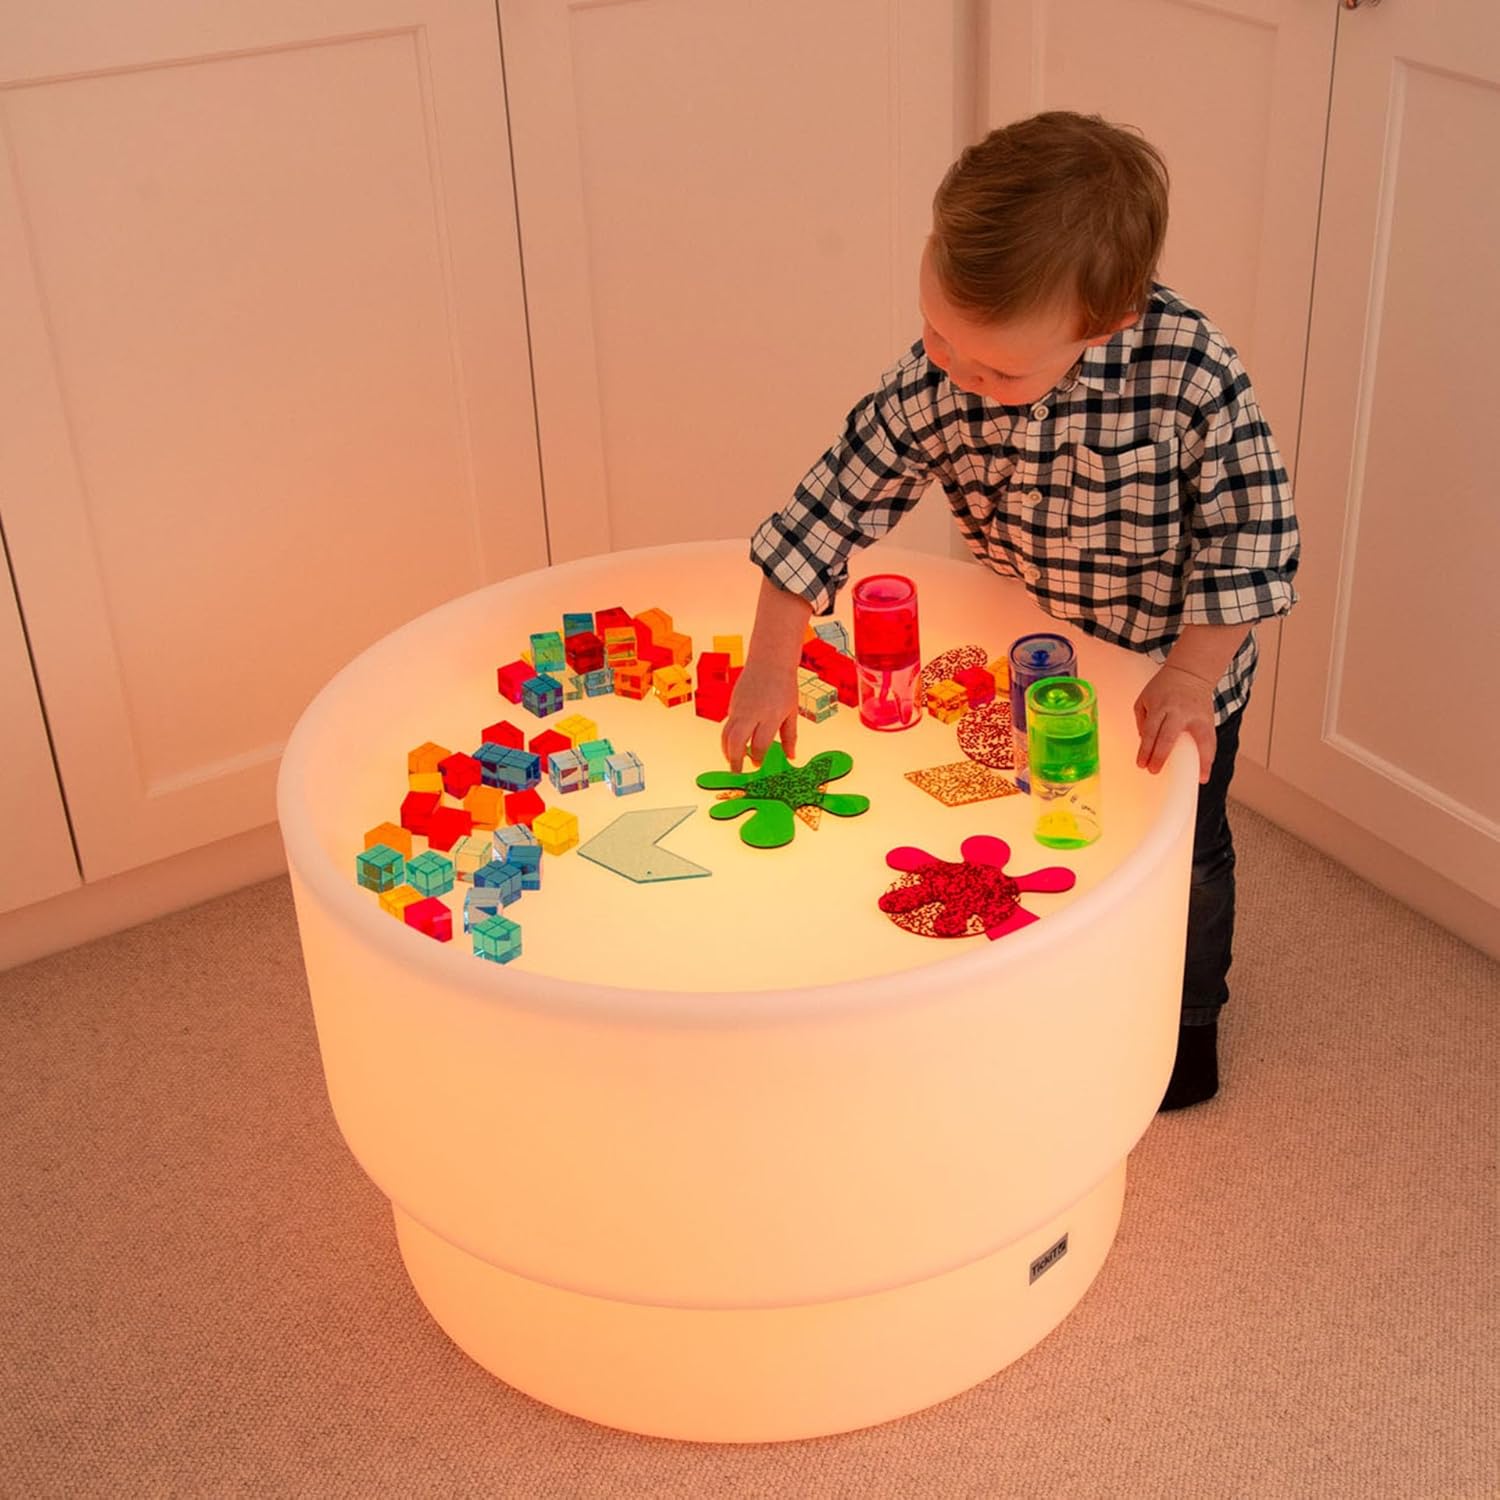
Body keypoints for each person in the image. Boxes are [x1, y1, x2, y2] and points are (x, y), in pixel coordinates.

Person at [722, 111, 1301, 1112]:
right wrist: (771, 663)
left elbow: (1249, 539)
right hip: (1042, 659)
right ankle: (1054, 981)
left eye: (996, 369)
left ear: (1103, 327)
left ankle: (1187, 1015)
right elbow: (825, 511)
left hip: (1175, 673)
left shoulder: (1193, 375)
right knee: (1042, 821)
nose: (958, 372)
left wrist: (1193, 677)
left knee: (1185, 851)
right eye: (938, 332)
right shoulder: (940, 378)